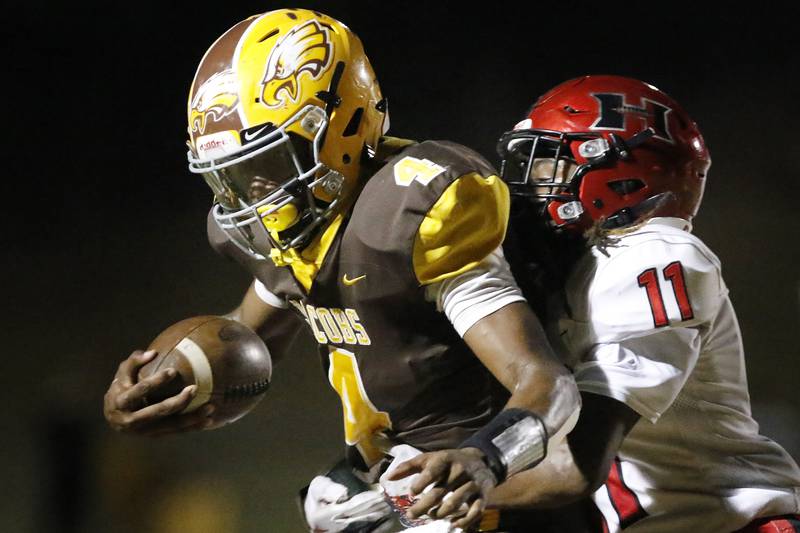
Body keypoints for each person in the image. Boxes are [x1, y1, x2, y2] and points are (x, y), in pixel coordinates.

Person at [102, 9, 580, 532]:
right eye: (233, 176)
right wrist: (166, 386)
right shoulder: (287, 235)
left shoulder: (409, 214)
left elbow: (545, 381)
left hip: (485, 503)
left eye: (267, 165)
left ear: (342, 126)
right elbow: (245, 338)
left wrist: (483, 461)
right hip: (394, 486)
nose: (254, 195)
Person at [424, 75, 799, 532]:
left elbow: (574, 467)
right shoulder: (580, 266)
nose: (534, 181)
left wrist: (417, 501)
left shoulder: (659, 256)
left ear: (617, 171)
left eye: (551, 163)